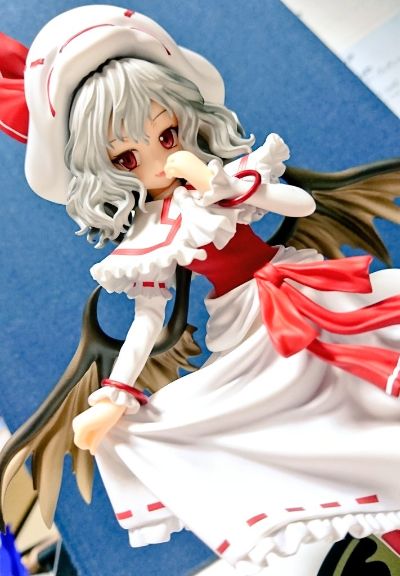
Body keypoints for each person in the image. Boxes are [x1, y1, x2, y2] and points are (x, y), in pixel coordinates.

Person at [1, 6, 400, 574]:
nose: (158, 159)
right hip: (249, 324)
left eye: (166, 134)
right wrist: (116, 392)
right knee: (313, 431)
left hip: (306, 289)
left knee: (372, 393)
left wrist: (223, 185)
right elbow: (147, 318)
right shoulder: (150, 236)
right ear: (106, 170)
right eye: (127, 157)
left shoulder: (224, 183)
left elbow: (300, 204)